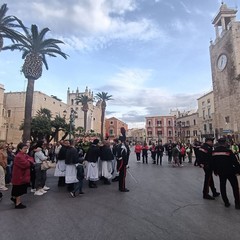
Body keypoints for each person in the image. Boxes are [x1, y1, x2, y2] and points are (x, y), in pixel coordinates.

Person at [212, 138, 240, 209]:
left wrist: (215, 171)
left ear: (218, 143)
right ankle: (237, 203)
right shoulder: (228, 151)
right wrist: (238, 171)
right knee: (235, 187)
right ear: (225, 143)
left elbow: (213, 163)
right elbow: (235, 162)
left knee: (222, 186)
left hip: (221, 172)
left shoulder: (214, 152)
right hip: (230, 171)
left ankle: (226, 202)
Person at [11, 143, 34, 209]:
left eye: (26, 148)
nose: (26, 150)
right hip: (19, 176)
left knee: (19, 189)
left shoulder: (24, 155)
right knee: (18, 189)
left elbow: (31, 159)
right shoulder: (19, 156)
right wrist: (29, 161)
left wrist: (29, 160)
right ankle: (18, 203)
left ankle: (14, 199)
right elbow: (26, 164)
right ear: (20, 149)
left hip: (22, 175)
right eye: (24, 148)